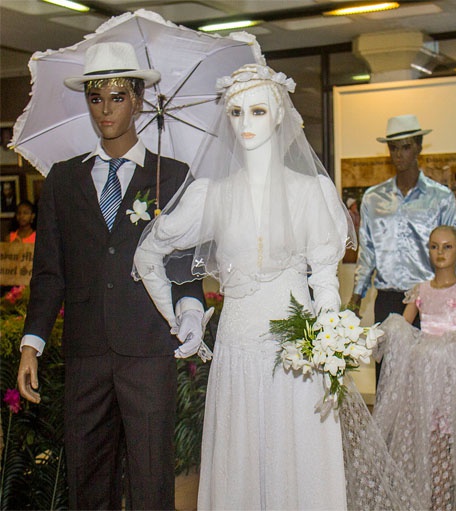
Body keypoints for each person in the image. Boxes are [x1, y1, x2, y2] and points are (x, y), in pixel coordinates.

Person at [133, 62, 356, 509]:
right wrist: (182, 316)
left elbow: (326, 278)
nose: (245, 122)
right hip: (236, 349)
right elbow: (147, 254)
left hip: (296, 353)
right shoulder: (210, 195)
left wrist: (330, 335)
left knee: (298, 461)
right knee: (241, 462)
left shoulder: (311, 191)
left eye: (257, 111)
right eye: (236, 112)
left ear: (279, 115)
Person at [16, 42, 205, 510]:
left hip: (147, 349)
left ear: (138, 100)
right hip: (86, 354)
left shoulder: (172, 176)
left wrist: (192, 310)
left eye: (118, 97)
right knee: (88, 476)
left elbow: (185, 266)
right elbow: (49, 273)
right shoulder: (62, 180)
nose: (105, 109)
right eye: (96, 97)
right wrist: (31, 343)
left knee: (150, 479)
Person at [347, 114, 456, 378]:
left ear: (418, 146)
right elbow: (367, 253)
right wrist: (356, 297)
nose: (398, 154)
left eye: (405, 146)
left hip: (431, 301)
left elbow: (453, 249)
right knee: (388, 377)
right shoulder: (373, 199)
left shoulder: (441, 198)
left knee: (430, 378)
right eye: (393, 147)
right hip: (389, 297)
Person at [373, 225, 456, 511]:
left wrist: (440, 347)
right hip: (428, 373)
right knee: (435, 436)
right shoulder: (420, 289)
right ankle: (439, 498)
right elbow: (403, 325)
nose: (440, 252)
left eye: (447, 246)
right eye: (434, 246)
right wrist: (382, 334)